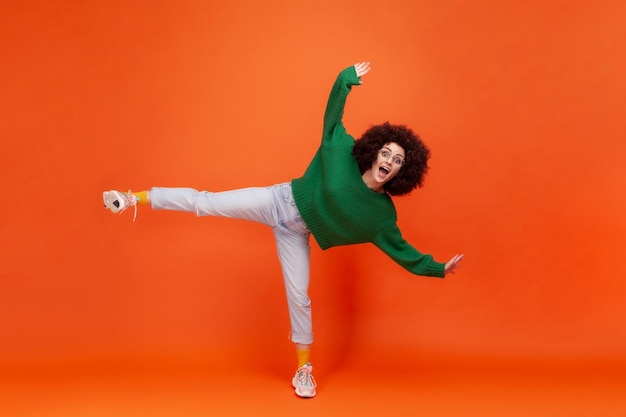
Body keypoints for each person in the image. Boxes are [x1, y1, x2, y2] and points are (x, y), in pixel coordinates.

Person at [103, 61, 464, 398]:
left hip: (296, 233)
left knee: (299, 297)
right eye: (387, 152)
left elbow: (401, 250)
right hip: (277, 200)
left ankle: (303, 370)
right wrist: (346, 79)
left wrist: (437, 268)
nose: (389, 160)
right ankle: (133, 198)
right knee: (205, 202)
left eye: (398, 160)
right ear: (375, 152)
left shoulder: (381, 216)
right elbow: (333, 114)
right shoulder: (342, 150)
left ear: (404, 171)